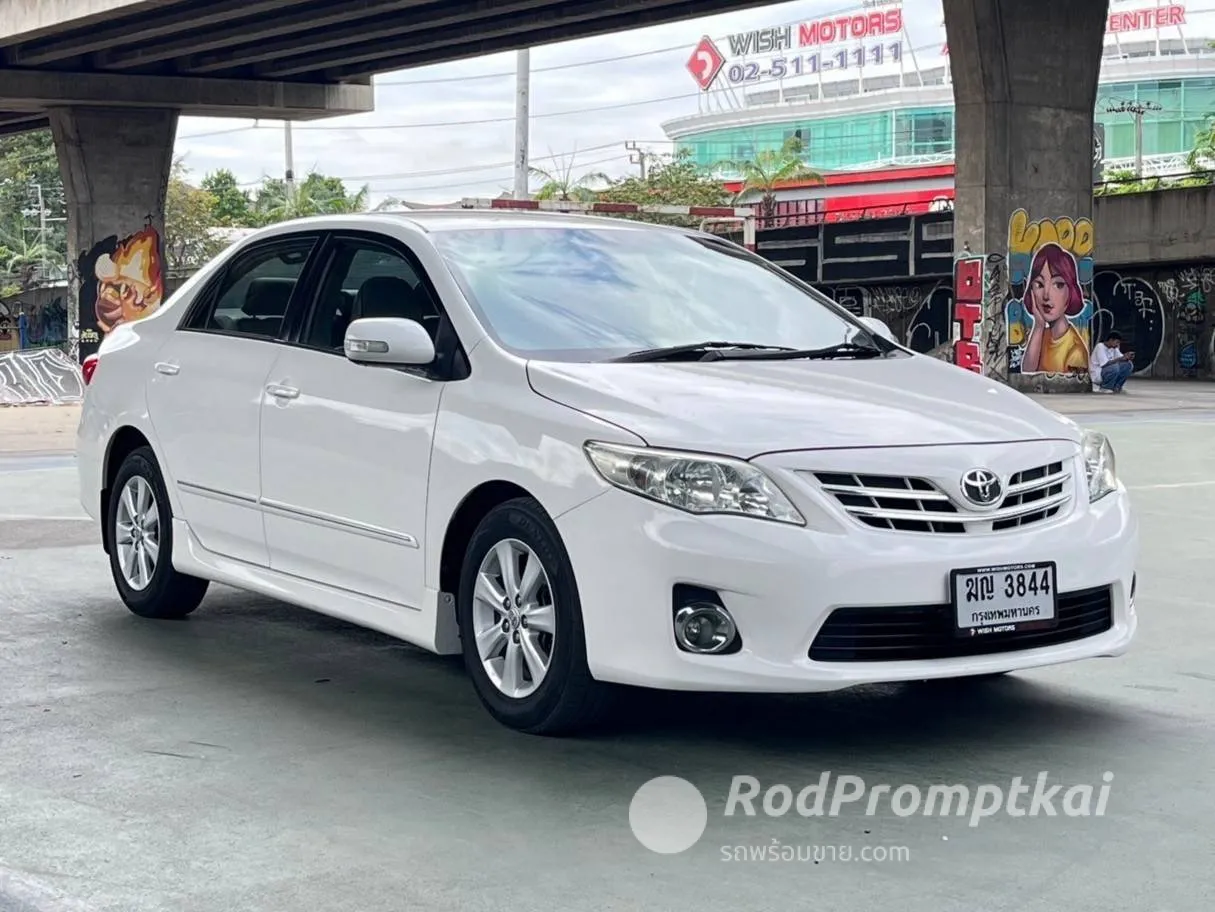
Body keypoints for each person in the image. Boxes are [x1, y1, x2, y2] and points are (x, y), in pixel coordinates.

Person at [1019, 242, 1091, 373]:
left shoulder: (1075, 351)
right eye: (1039, 284)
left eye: (1058, 285)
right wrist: (1039, 326)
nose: (1046, 295)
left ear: (1071, 292)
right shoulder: (1043, 335)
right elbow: (1027, 373)